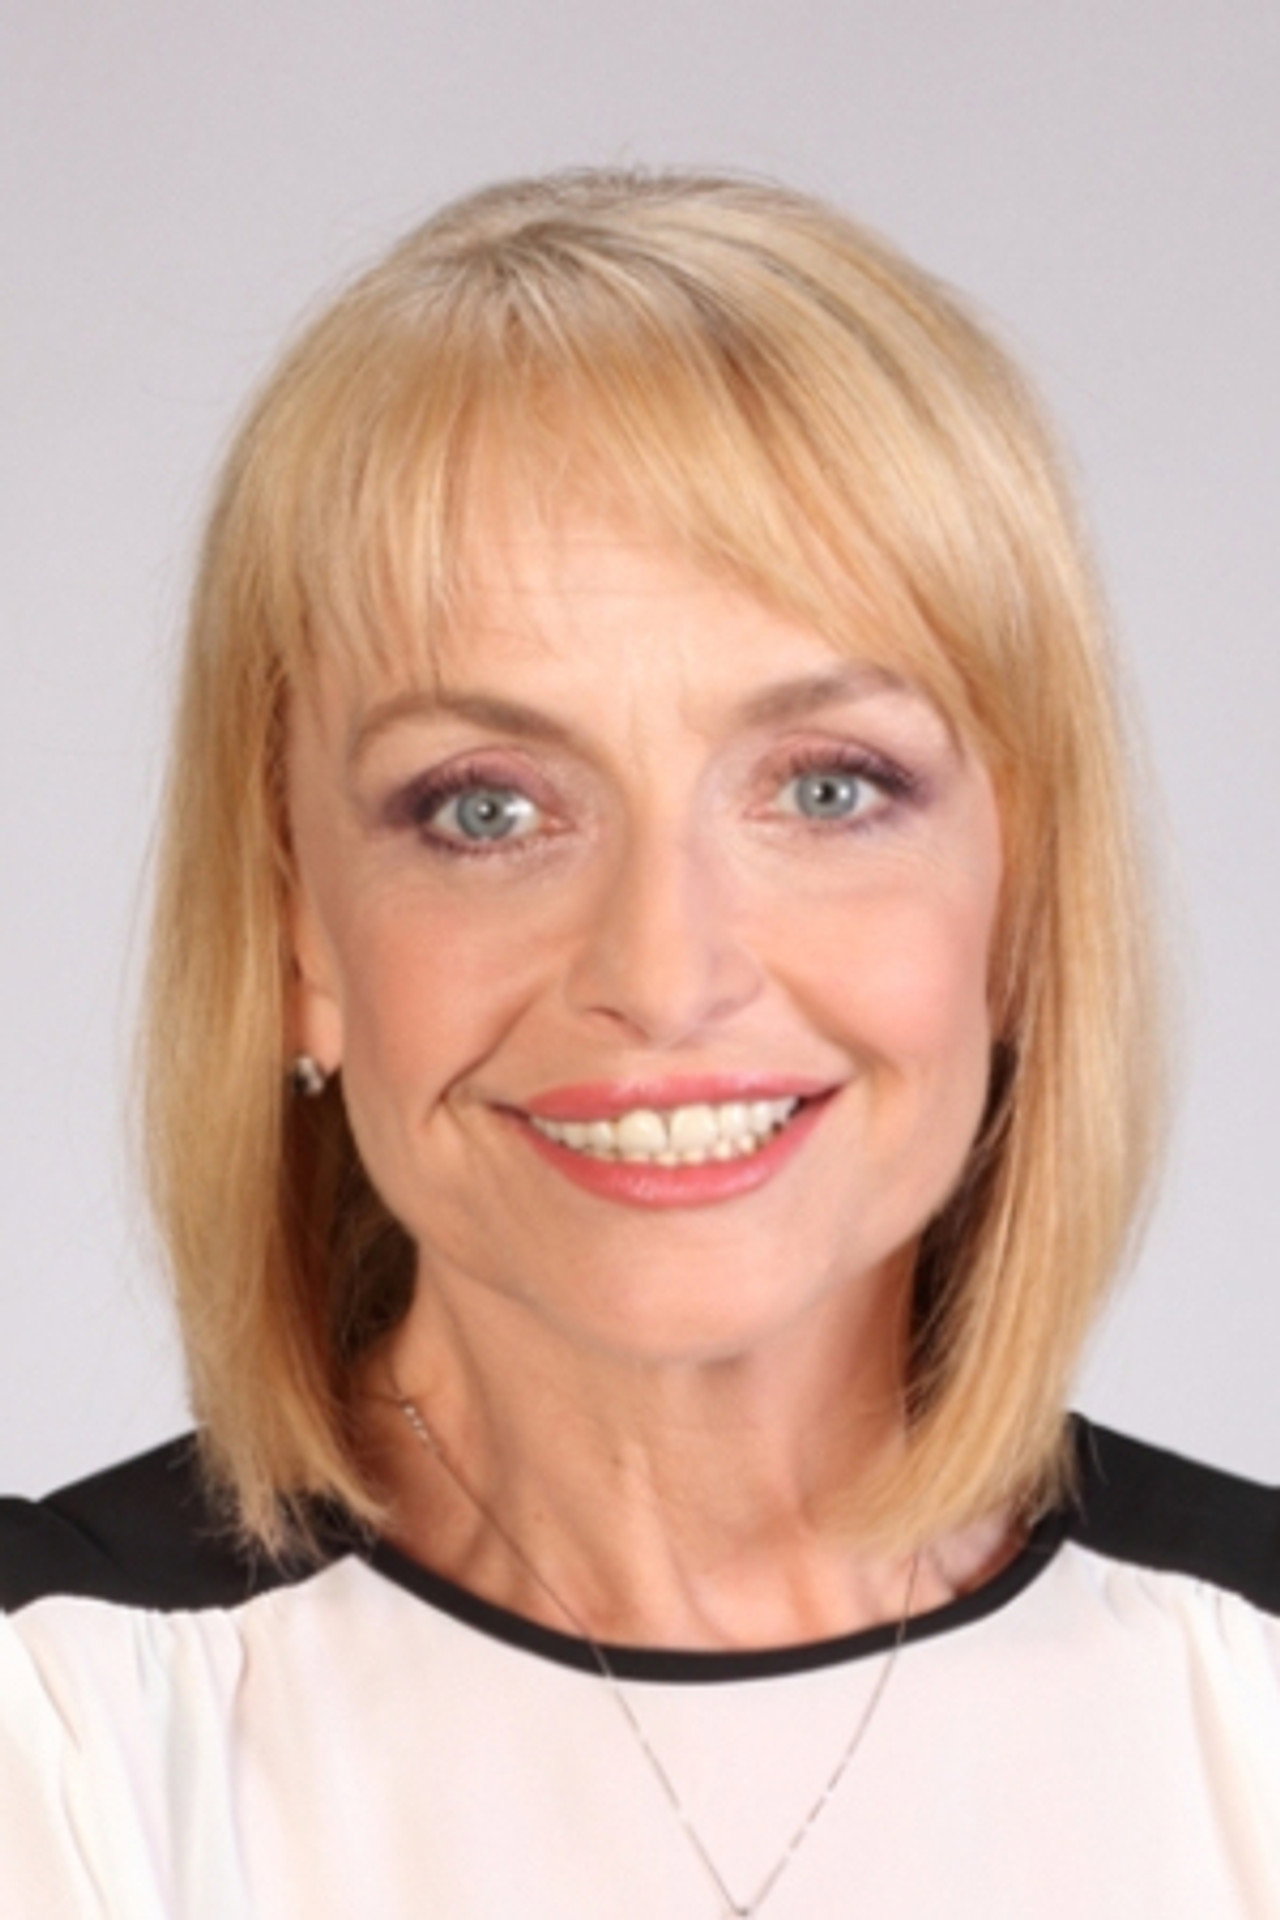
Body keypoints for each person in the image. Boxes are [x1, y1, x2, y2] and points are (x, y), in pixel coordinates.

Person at [1, 168, 1276, 1919]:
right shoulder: (59, 1719)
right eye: (487, 808)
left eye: (826, 789)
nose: (666, 975)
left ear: (1022, 903)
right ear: (297, 937)